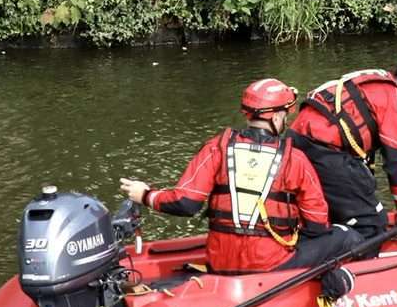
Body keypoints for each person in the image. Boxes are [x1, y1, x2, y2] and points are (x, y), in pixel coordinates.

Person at [119, 78, 355, 273]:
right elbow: (316, 224)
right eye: (285, 115)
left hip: (221, 262)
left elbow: (185, 203)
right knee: (345, 236)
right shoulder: (295, 159)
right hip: (271, 265)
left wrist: (146, 194)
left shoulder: (217, 148)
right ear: (275, 117)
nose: (286, 120)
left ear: (248, 114)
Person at [288, 56, 397, 243]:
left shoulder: (376, 85)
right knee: (370, 224)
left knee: (325, 211)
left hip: (298, 141)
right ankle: (356, 267)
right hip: (325, 150)